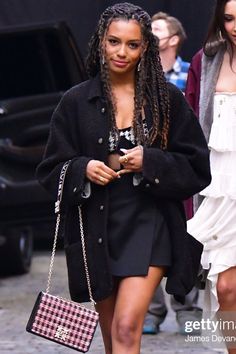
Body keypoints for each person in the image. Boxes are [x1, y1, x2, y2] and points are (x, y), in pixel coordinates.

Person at [36, 3, 211, 353]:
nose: (121, 52)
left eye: (132, 44)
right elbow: (49, 170)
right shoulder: (75, 101)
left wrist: (151, 161)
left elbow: (197, 167)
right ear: (101, 41)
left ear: (145, 47)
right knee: (112, 337)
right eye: (114, 42)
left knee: (128, 326)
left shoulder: (167, 100)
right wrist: (82, 167)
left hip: (151, 222)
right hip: (97, 227)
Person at [143, 12, 202, 336]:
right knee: (147, 237)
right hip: (147, 169)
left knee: (186, 235)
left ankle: (187, 307)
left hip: (179, 169)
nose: (151, 36)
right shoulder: (140, 78)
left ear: (175, 38)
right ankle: (151, 310)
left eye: (158, 31)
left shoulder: (188, 75)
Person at [186, 1, 236, 353]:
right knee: (226, 288)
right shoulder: (205, 62)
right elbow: (190, 126)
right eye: (230, 17)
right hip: (219, 187)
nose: (235, 25)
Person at [151, 11, 190, 92]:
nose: (150, 33)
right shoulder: (140, 70)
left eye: (156, 29)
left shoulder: (190, 72)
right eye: (149, 29)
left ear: (173, 40)